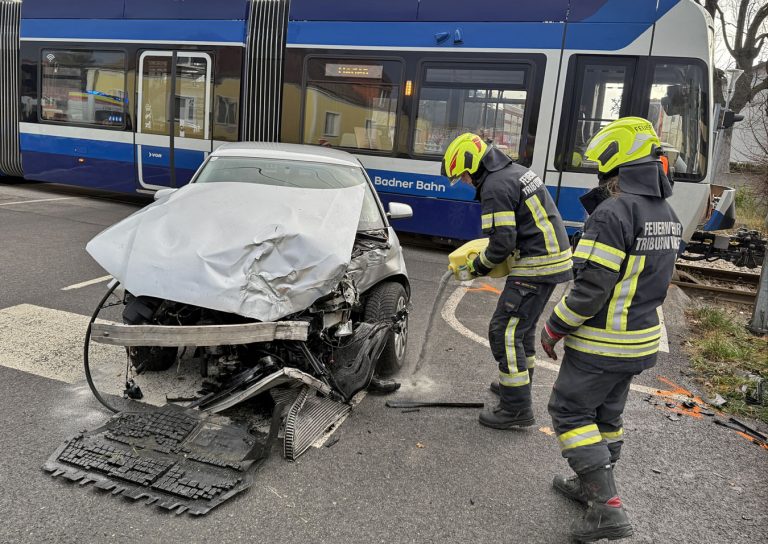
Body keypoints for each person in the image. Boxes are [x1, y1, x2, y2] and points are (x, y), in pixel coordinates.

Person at [540, 117, 681, 542]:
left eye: (601, 169)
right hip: (640, 342)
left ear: (615, 166)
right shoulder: (665, 211)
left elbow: (590, 288)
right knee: (607, 416)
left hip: (604, 343)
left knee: (569, 411)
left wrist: (553, 327)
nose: (598, 178)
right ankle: (590, 487)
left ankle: (608, 509)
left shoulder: (613, 212)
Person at [441, 133, 572, 429]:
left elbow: (501, 243)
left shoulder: (495, 186)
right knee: (521, 329)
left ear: (472, 166)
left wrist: (475, 268)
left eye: (463, 175)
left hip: (537, 263)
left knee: (504, 330)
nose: (464, 181)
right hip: (550, 258)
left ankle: (515, 408)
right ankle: (518, 385)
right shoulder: (515, 172)